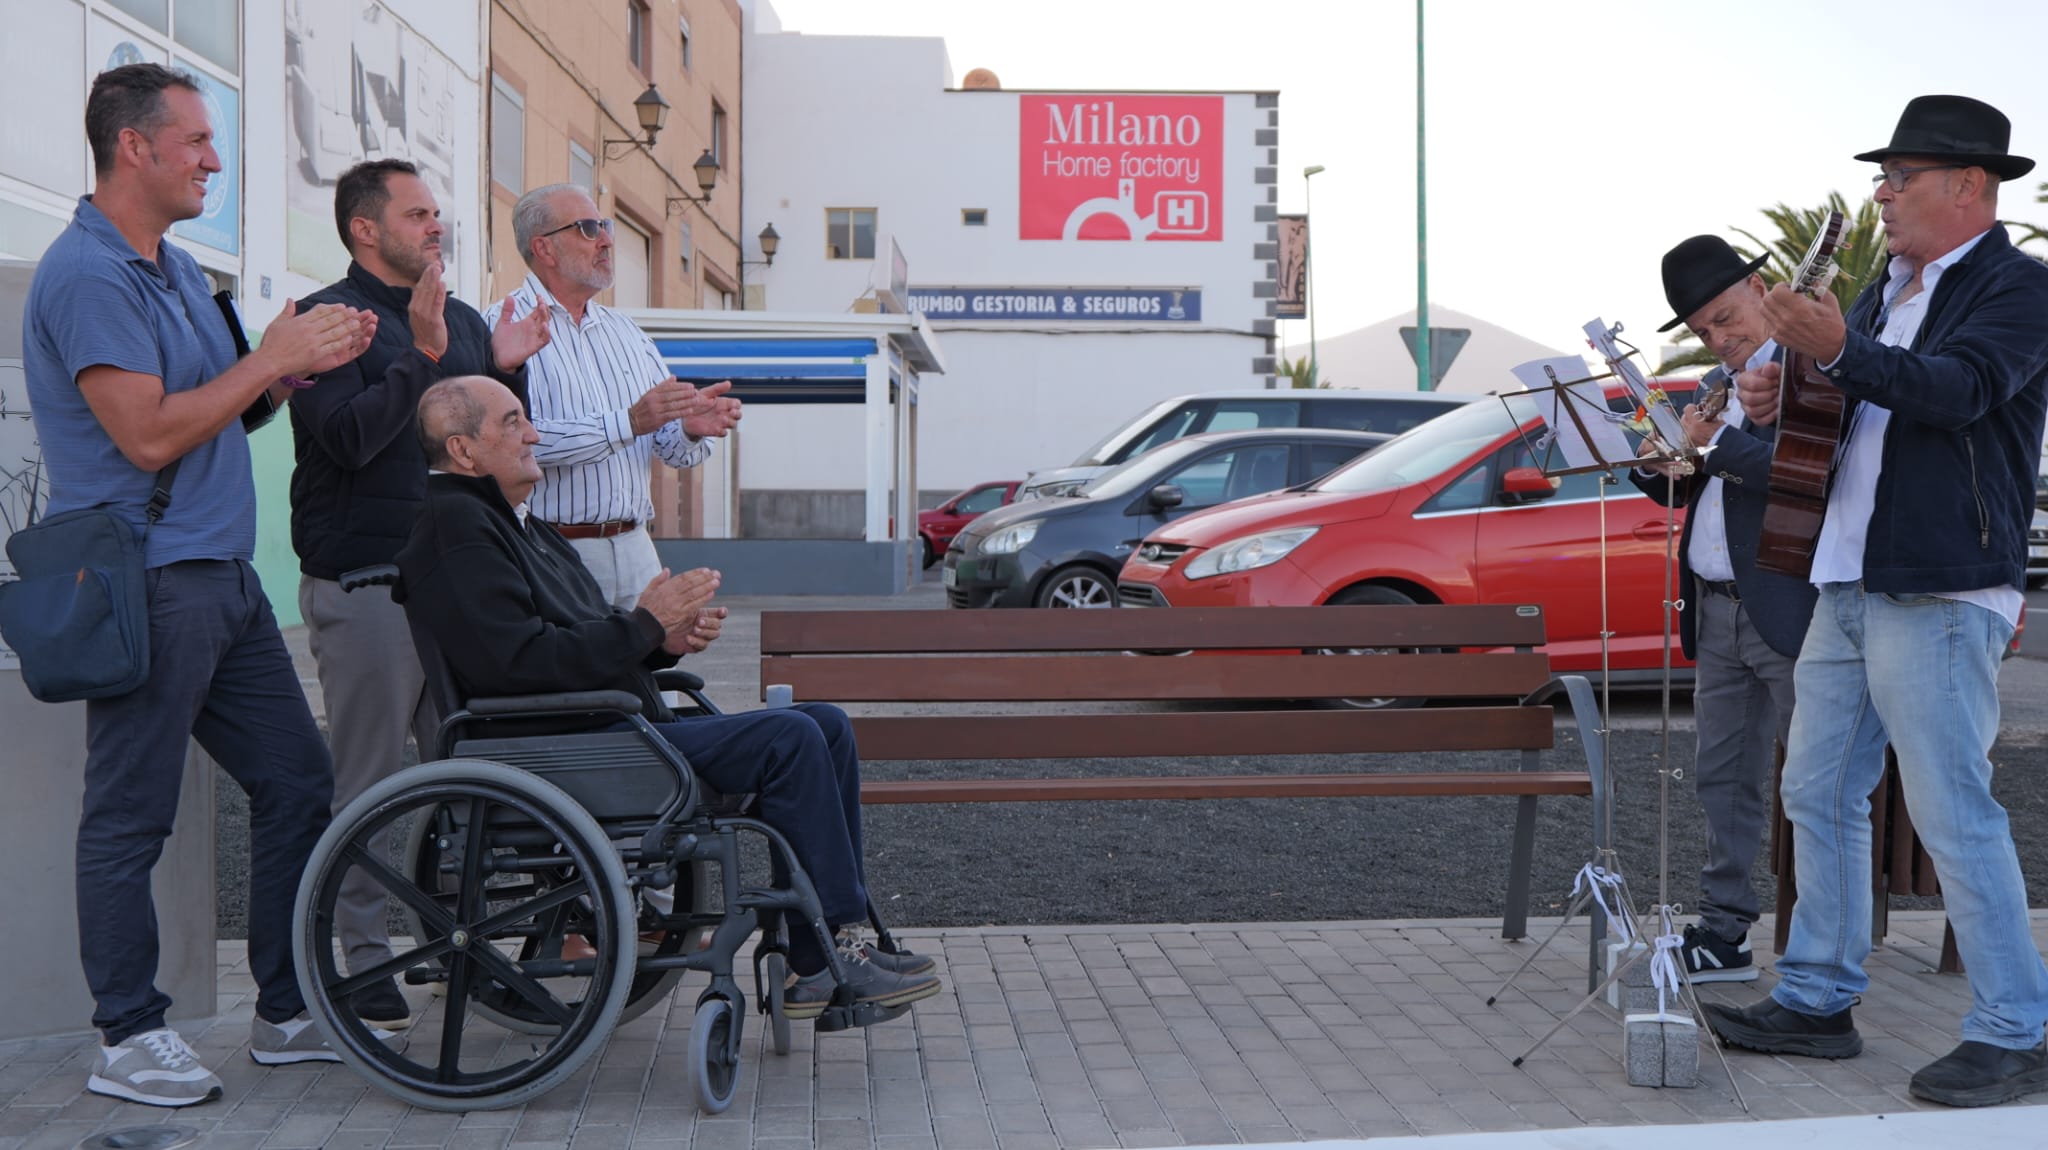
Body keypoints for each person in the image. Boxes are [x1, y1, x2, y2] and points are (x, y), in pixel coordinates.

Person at [22, 64, 387, 1107]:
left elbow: (225, 406)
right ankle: (129, 1036)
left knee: (297, 781)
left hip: (223, 579)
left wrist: (291, 370)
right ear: (133, 146)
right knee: (130, 815)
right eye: (196, 141)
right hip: (149, 581)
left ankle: (284, 1010)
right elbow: (145, 436)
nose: (214, 162)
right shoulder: (88, 275)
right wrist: (266, 357)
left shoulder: (178, 269)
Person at [393, 375, 940, 1018]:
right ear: (462, 450)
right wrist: (644, 625)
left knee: (824, 722)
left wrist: (662, 642)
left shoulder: (512, 523)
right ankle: (821, 962)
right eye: (513, 422)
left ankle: (831, 940)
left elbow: (579, 639)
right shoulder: (458, 531)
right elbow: (519, 665)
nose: (534, 434)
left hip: (597, 730)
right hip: (561, 747)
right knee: (792, 736)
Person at [1706, 94, 2048, 1108]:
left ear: (1969, 186)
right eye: (1881, 178)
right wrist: (1786, 394)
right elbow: (1847, 402)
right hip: (1845, 573)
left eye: (1901, 178)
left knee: (1950, 809)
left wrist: (1837, 350)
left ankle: (2017, 1027)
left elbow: (1958, 389)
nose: (1882, 196)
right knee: (1814, 790)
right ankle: (1817, 997)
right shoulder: (1881, 289)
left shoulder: (2019, 287)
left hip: (1938, 580)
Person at [287, 159, 553, 1030]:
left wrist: (506, 372)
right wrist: (426, 352)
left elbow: (486, 450)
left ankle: (457, 948)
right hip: (368, 586)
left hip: (460, 595)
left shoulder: (466, 320)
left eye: (437, 213)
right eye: (417, 214)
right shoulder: (324, 322)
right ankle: (364, 963)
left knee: (471, 783)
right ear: (365, 229)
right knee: (369, 786)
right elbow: (352, 439)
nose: (436, 226)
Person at [1628, 236, 1818, 981]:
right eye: (1703, 329)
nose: (1719, 337)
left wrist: (1715, 447)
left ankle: (1821, 947)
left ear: (1762, 290)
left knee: (1814, 784)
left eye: (1726, 317)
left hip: (1790, 605)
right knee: (1721, 776)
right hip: (1714, 606)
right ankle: (1724, 931)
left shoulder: (1811, 368)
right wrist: (1660, 460)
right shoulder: (1714, 384)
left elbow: (1810, 475)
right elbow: (1683, 484)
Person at [491, 184, 742, 609]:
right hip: (551, 546)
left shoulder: (626, 332)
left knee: (655, 653)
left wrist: (689, 429)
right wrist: (628, 423)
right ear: (544, 248)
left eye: (605, 226)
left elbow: (669, 450)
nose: (607, 240)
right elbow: (509, 444)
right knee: (574, 655)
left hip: (637, 545)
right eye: (588, 229)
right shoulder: (502, 327)